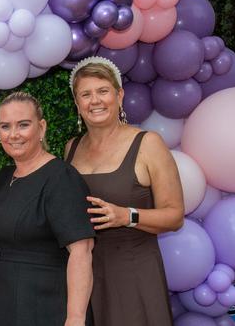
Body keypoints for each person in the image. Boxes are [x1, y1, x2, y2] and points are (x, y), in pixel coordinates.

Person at [65, 56, 184, 326]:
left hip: (134, 274)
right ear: (77, 104)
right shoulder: (71, 148)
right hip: (86, 276)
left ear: (119, 96)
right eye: (86, 94)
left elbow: (175, 216)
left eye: (103, 91)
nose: (95, 101)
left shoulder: (148, 143)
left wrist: (126, 216)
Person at [0, 91, 95, 326]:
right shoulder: (4, 177)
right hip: (1, 301)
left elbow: (82, 252)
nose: (13, 135)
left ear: (41, 128)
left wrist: (75, 318)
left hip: (46, 305)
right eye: (5, 126)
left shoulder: (61, 177)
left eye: (23, 125)